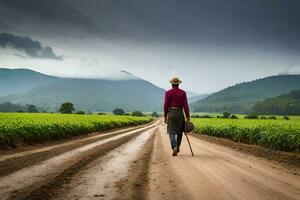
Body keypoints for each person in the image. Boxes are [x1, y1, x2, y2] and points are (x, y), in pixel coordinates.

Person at [164, 77, 190, 156]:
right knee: (179, 132)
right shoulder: (183, 93)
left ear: (172, 84)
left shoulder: (168, 93)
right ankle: (177, 147)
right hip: (180, 113)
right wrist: (188, 116)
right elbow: (185, 105)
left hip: (171, 112)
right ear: (178, 84)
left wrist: (165, 115)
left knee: (171, 132)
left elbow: (166, 105)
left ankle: (174, 146)